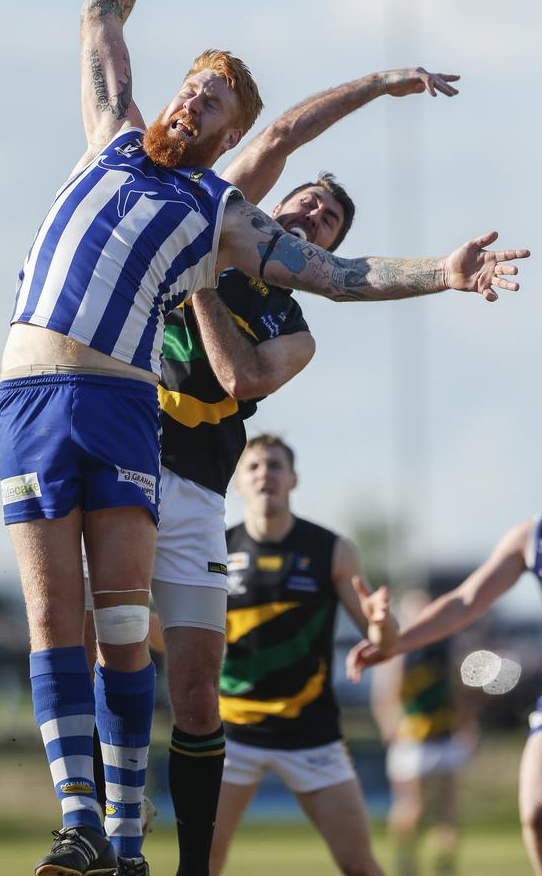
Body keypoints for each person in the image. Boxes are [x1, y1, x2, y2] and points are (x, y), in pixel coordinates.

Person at [0, 0, 529, 873]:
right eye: (195, 81)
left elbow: (335, 282)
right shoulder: (115, 135)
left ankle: (134, 844)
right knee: (56, 619)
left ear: (229, 137)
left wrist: (439, 274)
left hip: (150, 436)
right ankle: (84, 825)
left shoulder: (222, 222)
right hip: (49, 395)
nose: (199, 95)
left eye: (220, 99)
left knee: (140, 644)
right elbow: (103, 12)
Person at [85, 60, 464, 876]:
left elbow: (242, 379)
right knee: (106, 638)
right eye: (310, 202)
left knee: (191, 688)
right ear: (278, 205)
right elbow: (285, 132)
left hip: (194, 488)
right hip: (128, 449)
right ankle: (99, 814)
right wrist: (379, 84)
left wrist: (198, 290)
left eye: (329, 220)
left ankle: (172, 854)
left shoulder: (295, 324)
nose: (316, 214)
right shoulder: (223, 211)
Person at [203, 434, 393, 876]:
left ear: (293, 479)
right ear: (238, 484)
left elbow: (383, 640)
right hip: (230, 732)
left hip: (311, 731)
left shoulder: (331, 549)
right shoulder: (213, 549)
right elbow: (174, 637)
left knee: (360, 865)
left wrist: (383, 623)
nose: (264, 474)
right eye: (253, 467)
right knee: (202, 862)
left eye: (274, 465)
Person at [346, 516, 542, 875]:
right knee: (536, 810)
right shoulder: (531, 537)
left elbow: (459, 691)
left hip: (445, 733)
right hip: (415, 735)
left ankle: (441, 866)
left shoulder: (448, 658)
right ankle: (409, 864)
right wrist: (395, 643)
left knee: (445, 811)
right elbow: (465, 601)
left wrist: (465, 723)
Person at [370, 589, 475, 876]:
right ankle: (432, 865)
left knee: (417, 808)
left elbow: (384, 696)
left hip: (422, 738)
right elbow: (460, 691)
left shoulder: (399, 650)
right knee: (440, 811)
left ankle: (411, 864)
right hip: (431, 736)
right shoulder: (445, 646)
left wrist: (389, 726)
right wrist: (466, 725)